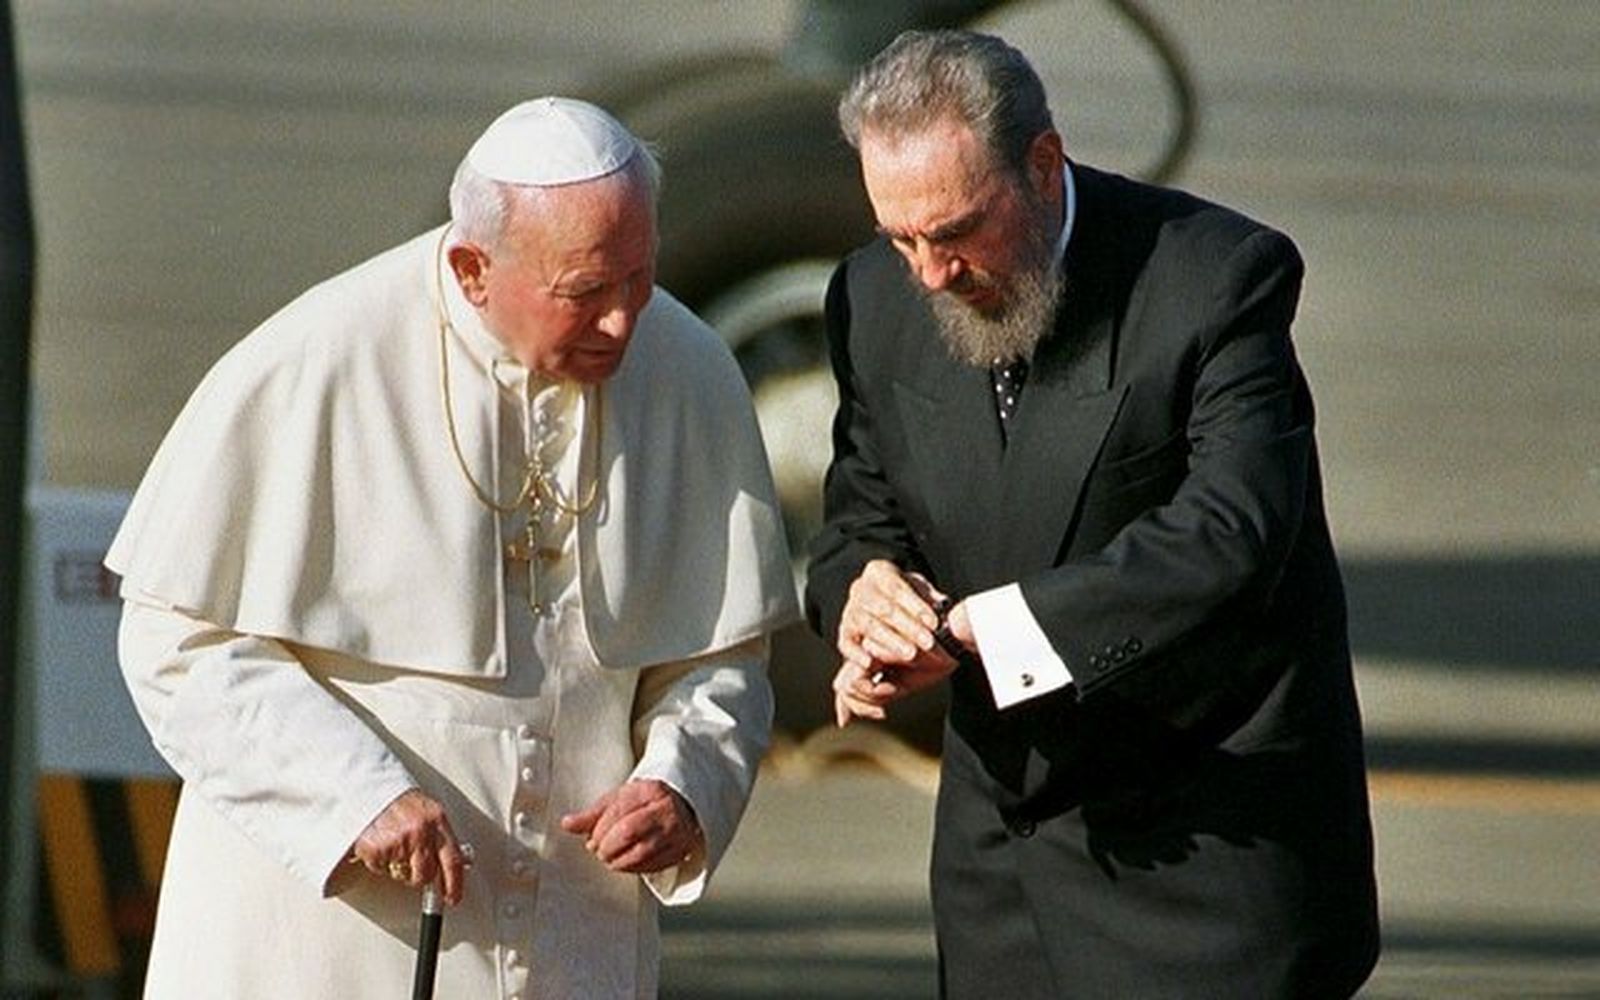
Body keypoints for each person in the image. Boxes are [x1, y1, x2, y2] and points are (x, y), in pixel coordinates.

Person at [108, 96, 797, 997]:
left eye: (639, 278)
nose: (626, 323)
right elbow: (178, 643)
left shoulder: (691, 367)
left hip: (568, 936)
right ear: (475, 269)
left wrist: (684, 782)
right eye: (586, 292)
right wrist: (354, 799)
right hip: (328, 940)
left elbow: (721, 656)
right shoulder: (317, 361)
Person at [805, 30, 1380, 998]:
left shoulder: (1215, 280)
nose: (929, 273)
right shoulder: (873, 299)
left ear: (1041, 165)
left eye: (952, 232)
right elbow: (861, 508)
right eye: (899, 237)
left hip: (1201, 857)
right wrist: (865, 590)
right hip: (1002, 873)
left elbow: (1231, 534)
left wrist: (989, 628)